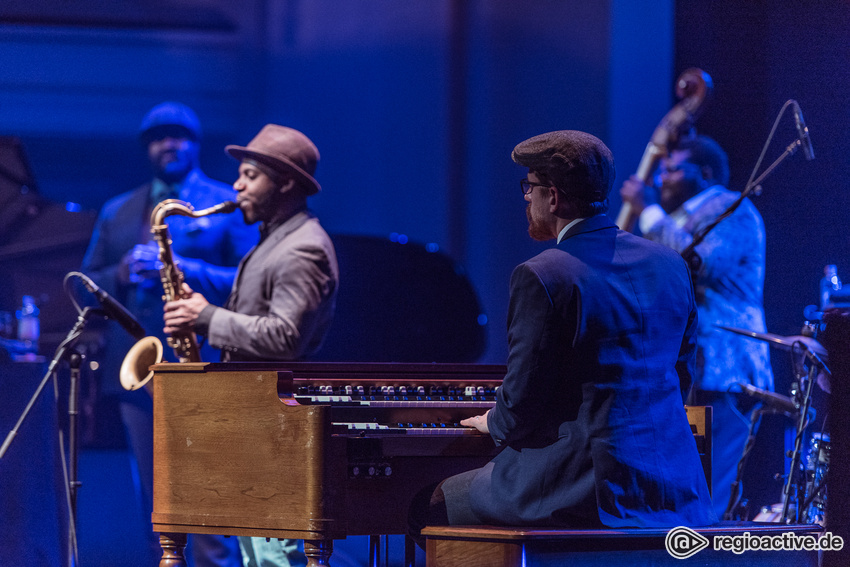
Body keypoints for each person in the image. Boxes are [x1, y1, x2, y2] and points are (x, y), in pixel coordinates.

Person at [409, 130, 715, 541]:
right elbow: (681, 377)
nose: (525, 198)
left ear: (553, 197)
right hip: (673, 488)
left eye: (529, 186)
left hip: (578, 490)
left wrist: (492, 422)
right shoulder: (671, 264)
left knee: (423, 507)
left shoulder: (544, 273)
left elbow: (521, 402)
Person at [81, 101, 257, 566]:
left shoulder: (225, 203)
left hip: (207, 366)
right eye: (158, 137)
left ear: (195, 144)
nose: (168, 144)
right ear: (148, 149)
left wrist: (181, 268)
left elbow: (252, 278)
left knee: (209, 490)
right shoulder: (118, 210)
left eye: (178, 135)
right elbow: (87, 284)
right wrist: (120, 271)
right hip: (142, 368)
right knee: (155, 498)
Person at [163, 124, 339, 566]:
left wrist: (204, 318)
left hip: (276, 426)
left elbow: (285, 337)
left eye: (249, 175)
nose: (236, 185)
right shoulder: (275, 239)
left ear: (284, 182)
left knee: (275, 557)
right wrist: (201, 308)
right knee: (259, 555)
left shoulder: (302, 248)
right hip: (258, 421)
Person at [618, 134, 773, 518]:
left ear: (704, 173)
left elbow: (697, 262)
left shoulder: (732, 208)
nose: (661, 178)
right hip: (688, 365)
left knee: (713, 487)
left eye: (672, 169)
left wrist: (649, 213)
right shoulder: (682, 218)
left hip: (724, 364)